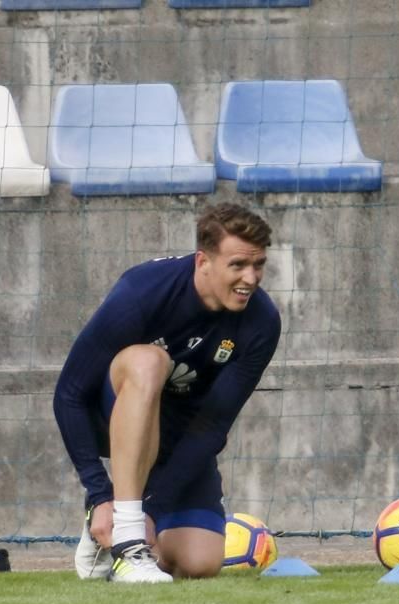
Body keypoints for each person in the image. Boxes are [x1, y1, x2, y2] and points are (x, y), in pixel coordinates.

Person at [53, 203, 281, 583]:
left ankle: (118, 526)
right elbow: (69, 394)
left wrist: (151, 508)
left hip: (179, 438)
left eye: (258, 265)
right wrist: (98, 491)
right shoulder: (143, 291)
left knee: (199, 563)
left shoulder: (262, 322)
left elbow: (211, 426)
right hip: (110, 416)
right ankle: (124, 536)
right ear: (203, 261)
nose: (251, 278)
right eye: (238, 265)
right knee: (149, 362)